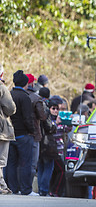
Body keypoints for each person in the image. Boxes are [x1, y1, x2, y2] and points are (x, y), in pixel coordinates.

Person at [7, 70, 37, 195]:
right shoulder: (24, 97)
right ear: (26, 83)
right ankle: (26, 190)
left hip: (10, 134)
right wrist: (32, 131)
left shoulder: (9, 94)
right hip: (23, 135)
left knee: (11, 164)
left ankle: (13, 189)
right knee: (25, 163)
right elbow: (28, 117)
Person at [26, 73, 47, 186]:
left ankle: (17, 187)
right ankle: (28, 188)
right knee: (33, 163)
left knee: (20, 162)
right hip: (34, 133)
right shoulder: (35, 97)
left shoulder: (14, 95)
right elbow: (42, 116)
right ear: (32, 83)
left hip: (19, 133)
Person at [49, 99, 72, 197]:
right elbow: (50, 129)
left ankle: (55, 191)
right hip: (52, 149)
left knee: (58, 170)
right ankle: (54, 191)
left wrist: (69, 121)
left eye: (58, 109)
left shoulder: (60, 119)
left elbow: (66, 129)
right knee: (60, 170)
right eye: (54, 109)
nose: (56, 111)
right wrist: (57, 123)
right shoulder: (49, 119)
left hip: (60, 148)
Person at [37, 87, 57, 196]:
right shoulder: (45, 108)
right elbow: (49, 127)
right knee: (48, 166)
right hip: (47, 142)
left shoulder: (37, 104)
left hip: (38, 140)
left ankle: (41, 188)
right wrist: (55, 126)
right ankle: (44, 190)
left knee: (40, 166)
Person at [0, 64, 16, 194]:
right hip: (2, 130)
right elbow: (11, 108)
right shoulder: (2, 89)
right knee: (0, 159)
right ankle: (1, 185)